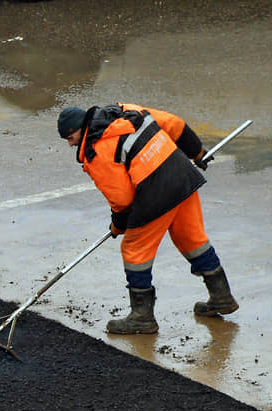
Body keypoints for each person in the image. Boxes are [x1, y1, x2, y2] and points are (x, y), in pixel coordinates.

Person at [56, 103, 238, 334]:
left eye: (71, 137)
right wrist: (196, 152)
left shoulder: (96, 152)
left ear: (81, 128)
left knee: (134, 250)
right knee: (191, 238)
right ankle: (222, 296)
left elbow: (122, 199)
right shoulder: (124, 110)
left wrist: (119, 224)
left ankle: (142, 317)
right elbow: (174, 124)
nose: (71, 144)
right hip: (182, 174)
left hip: (156, 189)